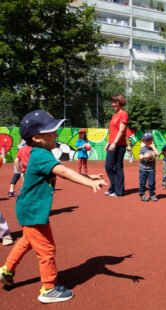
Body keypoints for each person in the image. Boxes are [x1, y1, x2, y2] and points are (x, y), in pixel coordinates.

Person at [0, 110, 106, 303]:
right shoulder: (41, 154)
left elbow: (60, 170)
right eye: (52, 131)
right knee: (47, 249)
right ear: (37, 137)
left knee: (26, 241)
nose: (56, 134)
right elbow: (63, 171)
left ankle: (7, 269)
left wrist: (88, 176)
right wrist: (88, 183)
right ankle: (49, 289)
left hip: (29, 208)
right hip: (33, 210)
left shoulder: (40, 152)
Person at [104, 94, 129, 197]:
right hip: (112, 144)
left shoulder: (123, 114)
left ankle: (119, 191)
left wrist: (114, 143)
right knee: (108, 167)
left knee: (117, 167)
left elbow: (122, 130)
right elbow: (113, 131)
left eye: (115, 102)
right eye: (112, 102)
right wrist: (108, 143)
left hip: (119, 145)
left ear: (120, 102)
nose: (113, 104)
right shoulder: (114, 115)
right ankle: (113, 187)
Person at [139, 132, 160, 202]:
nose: (149, 141)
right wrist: (145, 156)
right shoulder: (142, 149)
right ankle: (142, 195)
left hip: (151, 170)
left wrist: (154, 147)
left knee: (151, 183)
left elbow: (158, 154)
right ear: (143, 141)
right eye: (147, 140)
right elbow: (140, 157)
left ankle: (152, 194)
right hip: (143, 169)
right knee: (142, 183)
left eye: (151, 139)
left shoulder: (153, 148)